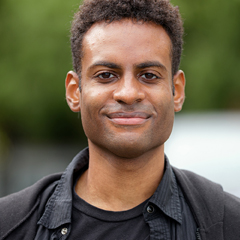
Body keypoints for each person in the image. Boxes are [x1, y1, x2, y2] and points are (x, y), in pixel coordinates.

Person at [1, 0, 240, 239]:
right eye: (106, 75)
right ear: (75, 92)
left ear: (176, 91)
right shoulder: (11, 225)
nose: (128, 93)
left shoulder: (227, 224)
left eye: (148, 75)